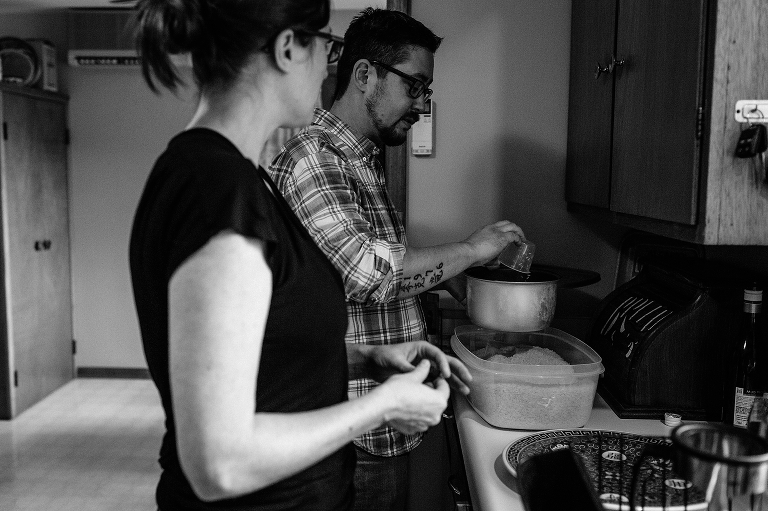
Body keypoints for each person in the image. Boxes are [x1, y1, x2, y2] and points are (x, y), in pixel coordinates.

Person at [128, 1, 472, 509]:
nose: (328, 68)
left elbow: (263, 360)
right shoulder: (216, 191)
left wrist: (366, 360)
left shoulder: (238, 179)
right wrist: (382, 407)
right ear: (290, 48)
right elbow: (220, 463)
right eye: (326, 46)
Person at [268, 7, 525, 511]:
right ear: (366, 75)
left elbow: (359, 270)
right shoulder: (315, 158)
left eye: (426, 92)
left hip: (381, 411)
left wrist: (446, 278)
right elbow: (368, 274)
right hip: (355, 424)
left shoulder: (361, 161)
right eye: (415, 86)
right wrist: (473, 249)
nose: (422, 105)